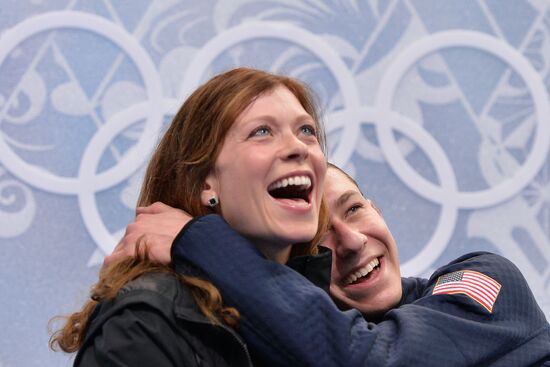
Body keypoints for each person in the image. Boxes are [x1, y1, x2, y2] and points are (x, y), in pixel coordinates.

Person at [112, 163, 550, 366]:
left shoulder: (485, 279)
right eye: (318, 240)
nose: (353, 241)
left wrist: (200, 241)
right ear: (295, 271)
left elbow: (371, 359)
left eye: (355, 208)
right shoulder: (288, 348)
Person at [49, 67, 330, 366]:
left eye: (307, 131)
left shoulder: (329, 311)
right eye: (262, 132)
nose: (298, 147)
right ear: (204, 183)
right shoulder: (145, 319)